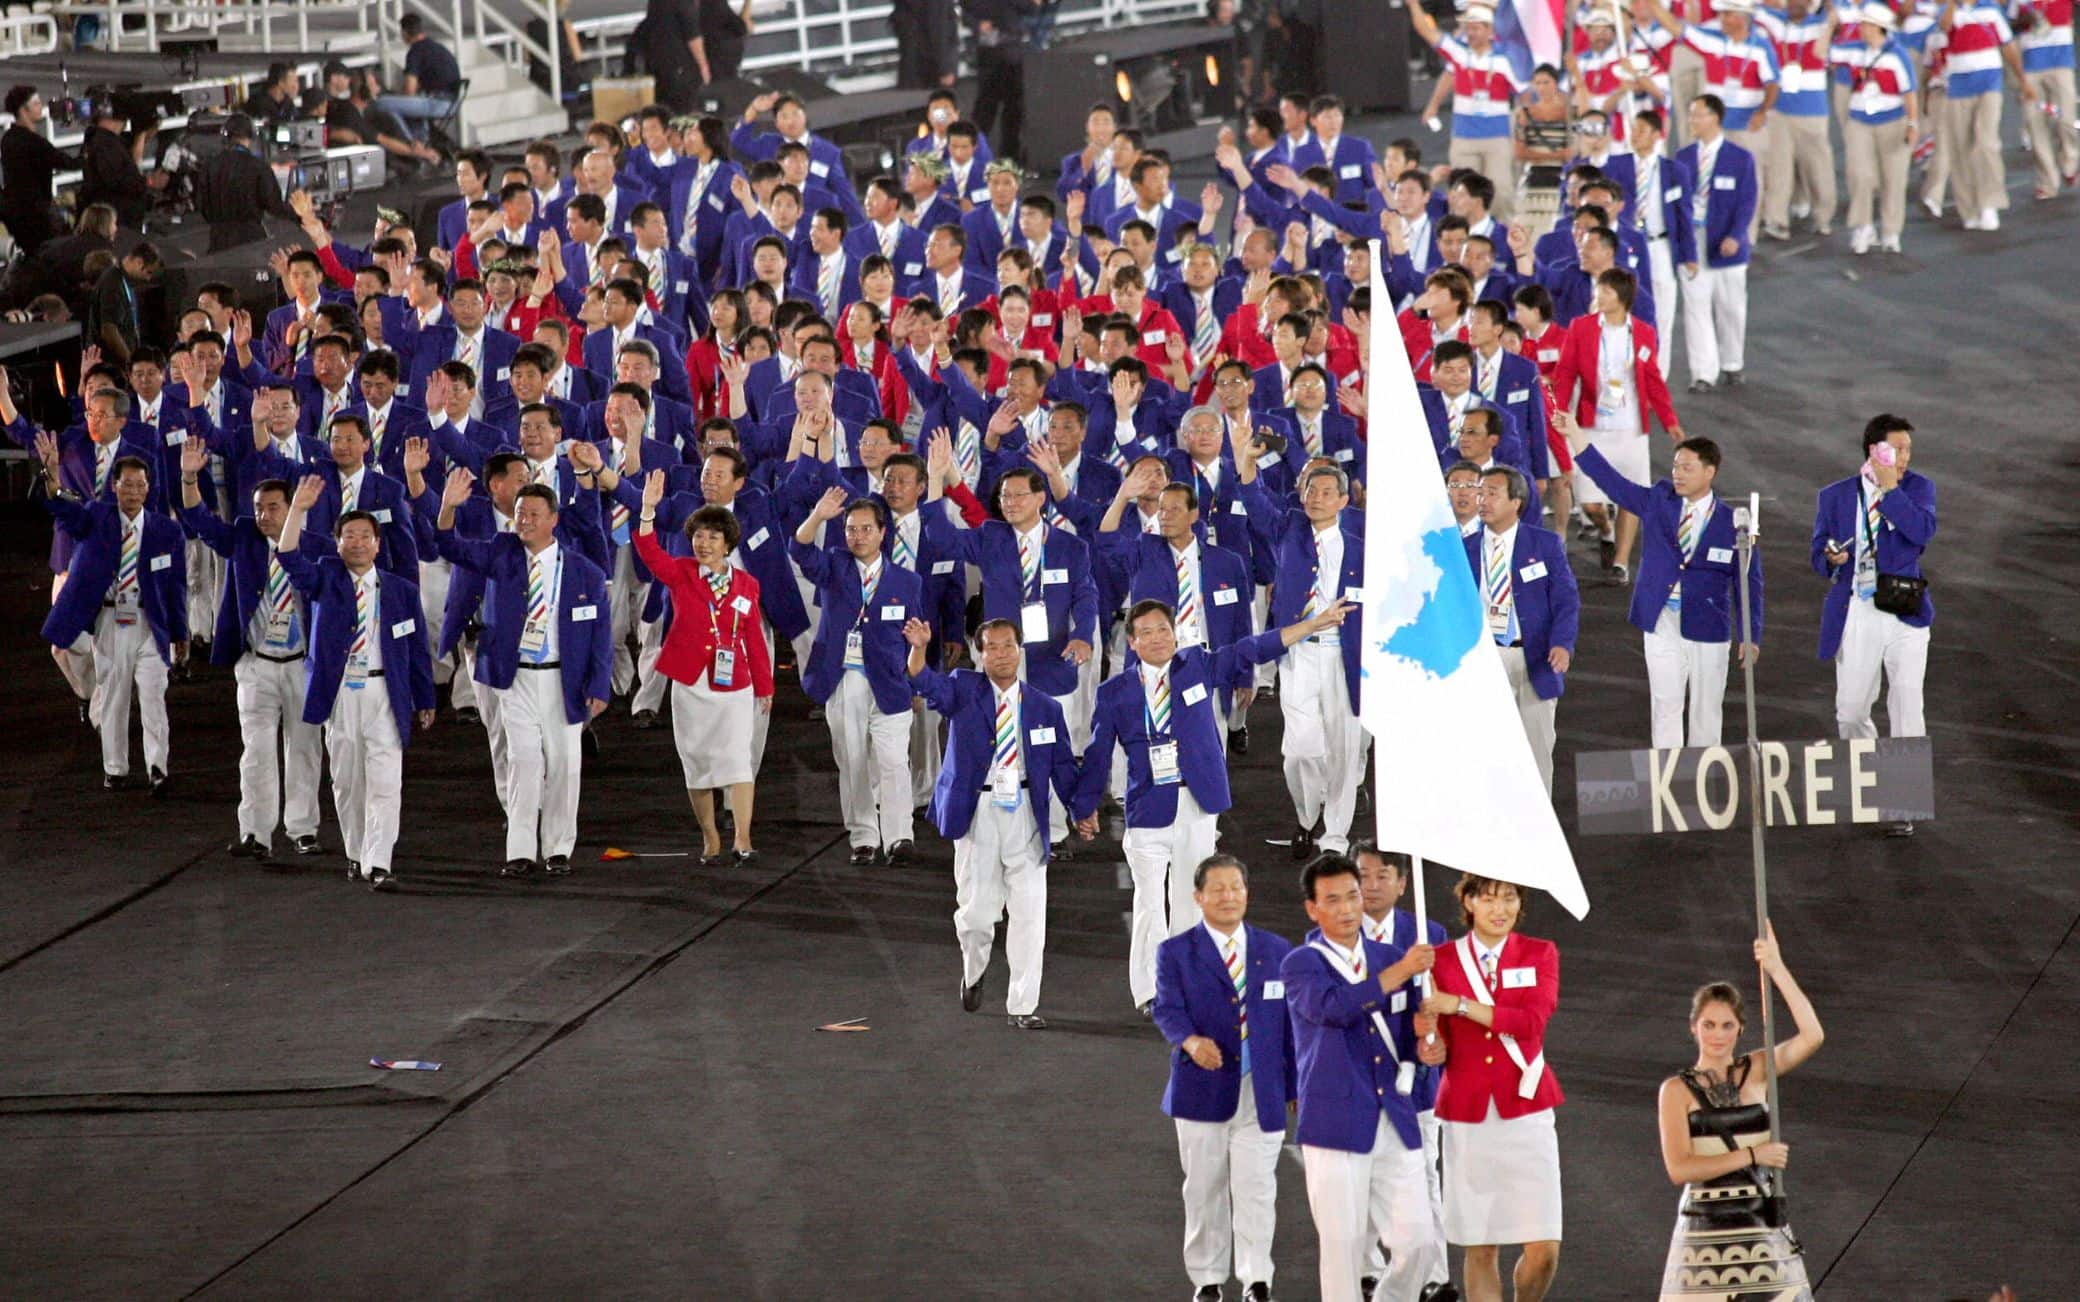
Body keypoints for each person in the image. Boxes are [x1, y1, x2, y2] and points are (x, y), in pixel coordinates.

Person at [1073, 597, 1351, 1016]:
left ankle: (1184, 986)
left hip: (1198, 805)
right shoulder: (1114, 693)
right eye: (1145, 632)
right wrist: (1084, 805)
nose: (1157, 639)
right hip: (1148, 807)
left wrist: (1315, 623)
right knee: (1150, 901)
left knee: (1189, 899)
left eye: (1163, 629)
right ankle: (1149, 991)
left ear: (1174, 632)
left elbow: (1253, 648)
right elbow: (1097, 753)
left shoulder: (1196, 667)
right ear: (1131, 642)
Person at [434, 461, 614, 879]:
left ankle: (557, 850)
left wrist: (600, 685)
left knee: (565, 763)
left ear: (553, 520)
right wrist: (448, 506)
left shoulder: (585, 573)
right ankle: (519, 850)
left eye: (533, 515)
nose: (524, 521)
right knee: (524, 759)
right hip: (513, 676)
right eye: (519, 514)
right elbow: (449, 545)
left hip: (563, 679)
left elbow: (600, 637)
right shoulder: (501, 552)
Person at [906, 616, 1085, 1028]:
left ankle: (1023, 1005)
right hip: (977, 813)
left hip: (1025, 813)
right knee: (976, 915)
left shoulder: (1045, 707)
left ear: (1020, 651)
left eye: (1008, 646)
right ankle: (974, 969)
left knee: (1029, 915)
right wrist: (919, 648)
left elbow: (1063, 768)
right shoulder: (963, 689)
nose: (1001, 654)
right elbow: (924, 683)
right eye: (992, 647)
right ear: (979, 653)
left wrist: (1082, 811)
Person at [1284, 853, 1445, 1302]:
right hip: (1334, 1123)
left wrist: (1429, 1050)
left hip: (1394, 1115)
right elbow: (1333, 1008)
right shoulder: (1301, 964)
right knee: (1342, 1251)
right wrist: (1401, 972)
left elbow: (1413, 1030)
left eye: (1352, 896)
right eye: (1332, 900)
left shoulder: (1391, 955)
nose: (1347, 908)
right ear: (1312, 909)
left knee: (1417, 1242)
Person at [275, 473, 436, 889]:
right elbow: (289, 556)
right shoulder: (326, 578)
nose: (358, 542)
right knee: (348, 781)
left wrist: (425, 697)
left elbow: (416, 648)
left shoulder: (400, 590)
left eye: (366, 536)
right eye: (350, 536)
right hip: (343, 692)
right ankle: (356, 853)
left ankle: (379, 862)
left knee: (386, 780)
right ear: (338, 543)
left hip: (387, 692)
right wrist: (298, 510)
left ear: (378, 545)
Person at [1562, 413, 1760, 749]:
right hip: (1661, 620)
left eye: (1687, 468)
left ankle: (1703, 784)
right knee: (1666, 706)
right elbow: (1612, 483)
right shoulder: (1658, 501)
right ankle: (1669, 783)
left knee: (1706, 713)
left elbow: (1749, 582)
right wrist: (1575, 436)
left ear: (1709, 472)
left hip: (1709, 625)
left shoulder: (1733, 523)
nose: (1677, 474)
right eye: (1675, 466)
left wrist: (1750, 633)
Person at [1152, 853, 1296, 1302]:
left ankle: (1257, 1280)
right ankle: (1208, 1279)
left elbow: (1291, 1023)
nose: (1228, 896)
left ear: (1247, 893)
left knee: (1256, 1190)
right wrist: (1191, 1042)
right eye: (1218, 888)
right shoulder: (1176, 952)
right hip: (1202, 1091)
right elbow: (1167, 1008)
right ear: (1198, 897)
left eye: (1236, 887)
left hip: (1262, 1091)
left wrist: (1294, 1086)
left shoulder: (1277, 950)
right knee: (1204, 1188)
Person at [1417, 875, 1565, 1302]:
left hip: (1527, 1109)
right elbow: (1433, 1038)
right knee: (1481, 1245)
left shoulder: (1539, 954)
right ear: (1468, 902)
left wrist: (1460, 1005)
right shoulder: (1440, 961)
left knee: (1544, 1250)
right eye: (1488, 898)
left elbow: (1530, 1022)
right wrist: (1429, 1042)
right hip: (1468, 1115)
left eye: (1510, 898)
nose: (1500, 909)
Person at [175, 438, 325, 860]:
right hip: (256, 665)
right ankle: (255, 832)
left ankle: (302, 830)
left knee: (304, 750)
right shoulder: (243, 536)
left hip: (301, 666)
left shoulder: (314, 548)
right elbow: (198, 519)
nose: (263, 515)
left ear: (293, 507)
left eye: (273, 507)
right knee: (256, 752)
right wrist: (189, 476)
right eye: (259, 507)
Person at [1657, 923, 1824, 1298]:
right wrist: (1752, 1154)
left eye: (1727, 1025)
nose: (1718, 1034)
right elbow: (1679, 1168)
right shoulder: (1675, 1090)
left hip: (1761, 1222)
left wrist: (1777, 969)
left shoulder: (1758, 1069)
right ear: (1694, 1028)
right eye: (1709, 1025)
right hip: (1703, 1230)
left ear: (1741, 1029)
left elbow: (1813, 1035)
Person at [634, 475, 774, 862]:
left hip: (734, 685)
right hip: (691, 683)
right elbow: (647, 550)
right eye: (698, 536)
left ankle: (742, 838)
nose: (704, 543)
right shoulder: (680, 572)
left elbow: (754, 640)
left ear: (728, 543)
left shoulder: (747, 584)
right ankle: (711, 838)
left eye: (713, 537)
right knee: (696, 762)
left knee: (737, 760)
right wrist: (648, 509)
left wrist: (765, 687)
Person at [35, 433, 185, 792]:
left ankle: (157, 768)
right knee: (114, 695)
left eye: (140, 485)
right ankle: (115, 768)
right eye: (126, 485)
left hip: (150, 623)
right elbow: (61, 508)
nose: (133, 491)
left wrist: (180, 634)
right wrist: (51, 474)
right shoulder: (95, 517)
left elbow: (176, 587)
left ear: (149, 489)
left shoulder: (167, 531)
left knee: (153, 696)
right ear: (114, 487)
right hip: (109, 621)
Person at [1811, 413, 1933, 836]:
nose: (1903, 458)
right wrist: (1829, 556)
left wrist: (1891, 488)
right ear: (1873, 450)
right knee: (1851, 711)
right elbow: (1816, 551)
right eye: (1895, 449)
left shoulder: (1916, 488)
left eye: (1907, 451)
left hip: (1904, 610)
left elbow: (1920, 532)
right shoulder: (1835, 496)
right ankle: (1868, 785)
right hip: (1857, 610)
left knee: (1905, 702)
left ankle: (1903, 805)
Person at [792, 488, 925, 865]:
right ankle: (864, 836)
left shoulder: (907, 582)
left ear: (883, 533)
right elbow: (800, 550)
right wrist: (818, 516)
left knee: (895, 761)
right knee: (852, 760)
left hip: (891, 682)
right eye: (851, 529)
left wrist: (917, 682)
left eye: (866, 529)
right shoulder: (834, 565)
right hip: (843, 679)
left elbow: (916, 637)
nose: (857, 536)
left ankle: (900, 836)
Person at [1240, 463, 1366, 859]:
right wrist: (1247, 463)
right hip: (1299, 652)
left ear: (1344, 501)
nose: (1317, 498)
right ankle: (1307, 816)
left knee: (1345, 747)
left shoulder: (1364, 547)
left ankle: (1335, 835)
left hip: (1346, 656)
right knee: (1301, 749)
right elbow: (1255, 503)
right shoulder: (1289, 530)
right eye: (1311, 490)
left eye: (1328, 492)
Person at [1351, 843, 1452, 1300]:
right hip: (1361, 1084)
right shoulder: (1336, 933)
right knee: (1363, 1179)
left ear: (1403, 883)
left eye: (1382, 876)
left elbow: (1447, 1007)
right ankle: (1369, 1273)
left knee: (1426, 1175)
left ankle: (1433, 1276)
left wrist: (1440, 1046)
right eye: (1363, 875)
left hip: (1419, 1089)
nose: (1371, 886)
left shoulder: (1429, 933)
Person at [1548, 266, 1682, 581]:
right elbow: (1565, 372)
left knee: (1631, 495)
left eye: (1606, 291)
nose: (1599, 296)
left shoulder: (1644, 333)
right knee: (1590, 501)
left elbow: (1653, 381)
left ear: (1622, 297)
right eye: (1599, 290)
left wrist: (1669, 420)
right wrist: (1559, 410)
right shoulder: (1581, 328)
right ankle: (1604, 526)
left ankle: (1621, 562)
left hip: (1632, 428)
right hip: (1592, 426)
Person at [1468, 465, 1579, 795]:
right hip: (1484, 659)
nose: (1482, 500)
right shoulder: (1464, 548)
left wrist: (1562, 644)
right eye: (1480, 493)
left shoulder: (1544, 544)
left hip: (1536, 657)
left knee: (1537, 748)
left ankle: (1536, 824)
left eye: (1492, 493)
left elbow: (1566, 599)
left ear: (1516, 502)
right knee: (1484, 745)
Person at [1409, 4, 1527, 221]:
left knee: (1501, 193)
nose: (1471, 33)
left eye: (1476, 28)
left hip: (1497, 137)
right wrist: (1413, 4)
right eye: (1468, 28)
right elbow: (1426, 31)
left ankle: (1503, 242)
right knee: (1462, 194)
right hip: (1464, 137)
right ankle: (1463, 241)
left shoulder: (1504, 59)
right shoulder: (1460, 53)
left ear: (1490, 31)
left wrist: (1525, 118)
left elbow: (1524, 93)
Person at [1675, 95, 1758, 392]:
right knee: (1696, 308)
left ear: (1715, 118)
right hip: (1694, 243)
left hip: (1727, 247)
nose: (1692, 121)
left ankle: (1732, 362)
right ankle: (1703, 373)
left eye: (1698, 115)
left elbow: (1747, 202)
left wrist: (1736, 235)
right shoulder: (1682, 159)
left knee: (1731, 307)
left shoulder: (1740, 158)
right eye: (1691, 115)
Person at [1833, 3, 1919, 254]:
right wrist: (1829, 27)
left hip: (1893, 120)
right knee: (1860, 174)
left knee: (1893, 178)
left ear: (1877, 28)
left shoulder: (1897, 55)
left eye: (1865, 24)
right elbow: (1822, 54)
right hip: (1860, 119)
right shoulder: (1855, 51)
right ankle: (1863, 226)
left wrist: (1912, 124)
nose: (1861, 29)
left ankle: (1891, 231)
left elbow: (1909, 92)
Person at [195, 114, 301, 253]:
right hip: (251, 240)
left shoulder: (209, 166)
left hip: (218, 240)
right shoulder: (259, 167)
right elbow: (274, 206)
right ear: (252, 136)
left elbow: (202, 206)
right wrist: (301, 216)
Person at [2, 87, 77, 256]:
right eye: (36, 103)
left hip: (16, 213)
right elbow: (67, 162)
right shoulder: (34, 142)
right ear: (23, 110)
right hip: (39, 215)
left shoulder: (8, 139)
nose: (40, 106)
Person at [378, 14, 464, 145]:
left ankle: (412, 144)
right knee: (408, 106)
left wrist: (394, 95)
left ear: (405, 33)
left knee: (382, 103)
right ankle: (421, 137)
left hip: (437, 103)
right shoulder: (438, 48)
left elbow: (409, 91)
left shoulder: (416, 51)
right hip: (453, 103)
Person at [79, 100, 163, 230]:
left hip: (116, 219)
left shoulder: (103, 140)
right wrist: (148, 182)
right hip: (117, 221)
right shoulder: (105, 145)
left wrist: (142, 133)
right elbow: (120, 179)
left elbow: (131, 163)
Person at [966, 0, 1032, 163]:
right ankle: (976, 154)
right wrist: (977, 25)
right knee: (993, 108)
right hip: (998, 53)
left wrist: (975, 24)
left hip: (1005, 51)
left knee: (1006, 108)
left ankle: (1005, 155)